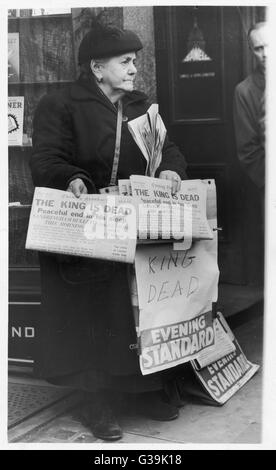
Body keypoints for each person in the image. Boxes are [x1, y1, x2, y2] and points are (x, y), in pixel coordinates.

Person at [30, 18, 188, 441]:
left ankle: (143, 389)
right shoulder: (60, 104)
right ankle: (94, 402)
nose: (135, 68)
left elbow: (166, 147)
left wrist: (171, 169)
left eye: (135, 60)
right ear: (97, 68)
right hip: (85, 225)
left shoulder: (140, 105)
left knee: (132, 312)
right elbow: (46, 157)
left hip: (132, 222)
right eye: (125, 61)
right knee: (91, 316)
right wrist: (71, 178)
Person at [233, 22, 267, 194]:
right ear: (252, 51)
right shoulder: (244, 91)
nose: (266, 54)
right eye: (259, 48)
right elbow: (248, 152)